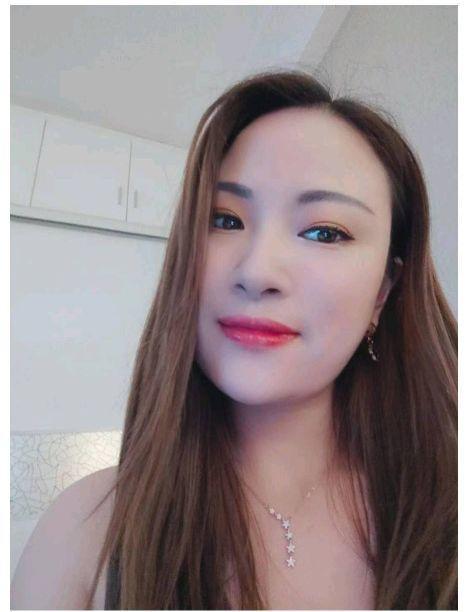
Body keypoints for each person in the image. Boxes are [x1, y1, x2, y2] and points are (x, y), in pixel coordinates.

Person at [11, 69, 457, 610]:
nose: (257, 270)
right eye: (224, 220)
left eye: (324, 232)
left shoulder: (445, 518)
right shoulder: (83, 532)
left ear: (384, 291)